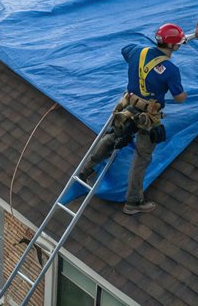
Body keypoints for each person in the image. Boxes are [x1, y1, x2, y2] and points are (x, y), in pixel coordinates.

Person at [78, 23, 188, 215]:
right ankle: (133, 202)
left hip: (129, 108)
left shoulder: (138, 51)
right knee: (142, 157)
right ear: (171, 46)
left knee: (112, 137)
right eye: (177, 43)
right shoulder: (171, 70)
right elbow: (179, 98)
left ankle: (85, 171)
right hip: (149, 117)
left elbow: (125, 50)